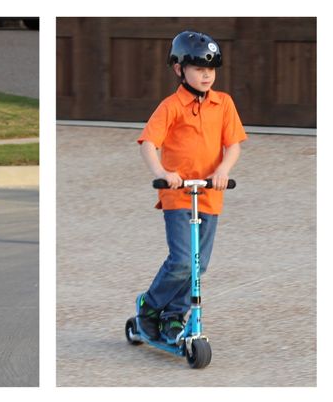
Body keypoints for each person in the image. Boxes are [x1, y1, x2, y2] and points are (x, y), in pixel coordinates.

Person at [135, 31, 246, 344]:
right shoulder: (171, 106)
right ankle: (150, 305)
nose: (206, 74)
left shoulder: (223, 104)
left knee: (200, 265)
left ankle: (174, 316)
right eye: (198, 68)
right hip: (178, 194)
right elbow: (148, 143)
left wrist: (223, 169)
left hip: (210, 194)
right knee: (183, 261)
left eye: (210, 68)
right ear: (179, 69)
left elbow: (233, 144)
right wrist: (161, 171)